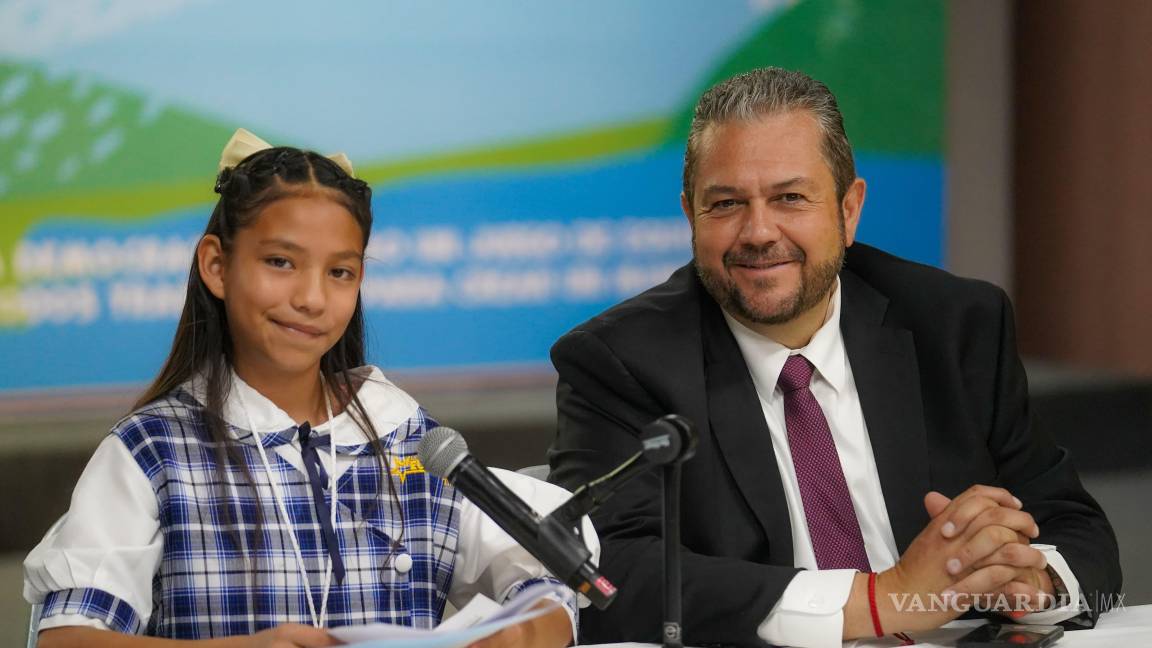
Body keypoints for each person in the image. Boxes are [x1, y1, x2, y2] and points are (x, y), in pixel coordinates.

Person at [547, 68, 1121, 647]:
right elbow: (606, 574)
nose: (758, 232)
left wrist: (1035, 582)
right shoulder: (620, 361)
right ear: (690, 215)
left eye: (790, 198)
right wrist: (881, 599)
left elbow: (1074, 525)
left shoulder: (953, 324)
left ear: (849, 210)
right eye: (725, 204)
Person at [24, 129, 594, 647]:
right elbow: (69, 638)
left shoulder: (407, 440)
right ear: (217, 266)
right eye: (280, 262)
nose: (312, 298)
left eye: (339, 272)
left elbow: (544, 576)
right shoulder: (153, 450)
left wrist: (522, 634)